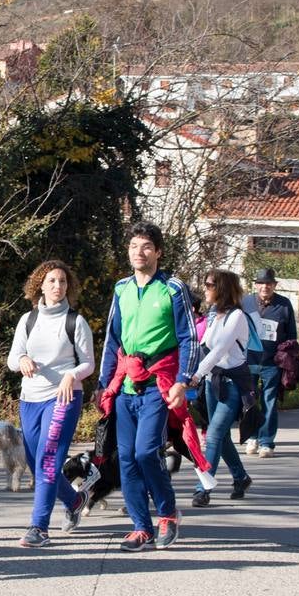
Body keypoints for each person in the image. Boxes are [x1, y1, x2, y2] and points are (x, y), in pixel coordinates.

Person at [97, 222, 197, 552]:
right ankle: (141, 527)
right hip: (126, 385)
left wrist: (183, 380)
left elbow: (188, 337)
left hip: (159, 383)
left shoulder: (172, 288)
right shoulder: (121, 288)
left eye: (146, 247)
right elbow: (112, 338)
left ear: (158, 252)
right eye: (133, 246)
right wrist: (104, 384)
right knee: (125, 457)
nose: (138, 252)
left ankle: (167, 513)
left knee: (145, 452)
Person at [6, 260, 96, 547]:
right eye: (52, 281)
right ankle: (75, 500)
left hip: (63, 398)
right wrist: (21, 360)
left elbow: (88, 364)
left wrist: (71, 375)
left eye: (63, 282)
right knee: (36, 463)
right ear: (40, 285)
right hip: (30, 399)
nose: (58, 286)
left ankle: (39, 528)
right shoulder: (28, 320)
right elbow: (12, 359)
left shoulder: (75, 321)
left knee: (47, 461)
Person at [185, 270, 254, 506]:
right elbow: (203, 346)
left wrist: (195, 375)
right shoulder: (214, 314)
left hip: (233, 384)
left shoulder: (237, 317)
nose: (205, 288)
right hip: (213, 381)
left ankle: (202, 488)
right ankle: (241, 477)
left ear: (222, 288)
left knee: (213, 435)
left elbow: (219, 350)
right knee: (221, 435)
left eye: (209, 284)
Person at [241, 268, 297, 457]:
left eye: (269, 283)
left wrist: (284, 356)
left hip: (272, 361)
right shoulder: (246, 302)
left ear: (274, 285)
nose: (265, 287)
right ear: (256, 285)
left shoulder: (284, 304)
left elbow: (291, 336)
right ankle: (252, 437)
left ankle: (267, 441)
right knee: (249, 400)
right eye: (261, 283)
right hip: (248, 360)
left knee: (269, 401)